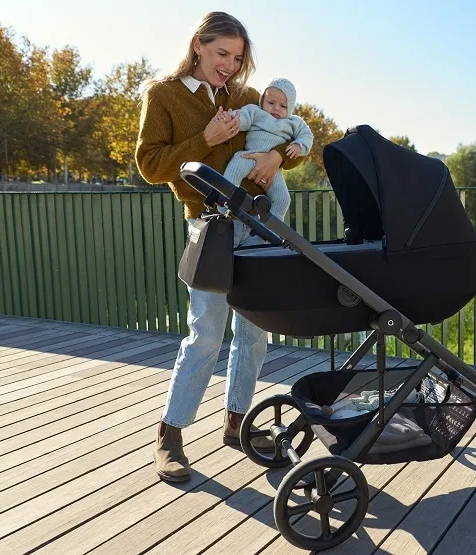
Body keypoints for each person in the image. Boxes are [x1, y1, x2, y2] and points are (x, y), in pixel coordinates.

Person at [135, 11, 303, 482]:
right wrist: (204, 139)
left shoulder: (246, 97)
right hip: (210, 226)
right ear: (198, 45)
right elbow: (150, 165)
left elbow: (284, 133)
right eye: (221, 54)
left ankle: (237, 423)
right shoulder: (163, 95)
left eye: (237, 58)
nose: (229, 65)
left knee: (253, 332)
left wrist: (275, 157)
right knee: (206, 334)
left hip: (257, 225)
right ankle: (169, 435)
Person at [216, 77, 313, 220]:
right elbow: (242, 117)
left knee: (283, 199)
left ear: (290, 108)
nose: (276, 108)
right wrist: (229, 117)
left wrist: (299, 145)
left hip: (273, 170)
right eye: (271, 103)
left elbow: (307, 136)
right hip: (249, 156)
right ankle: (223, 203)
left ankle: (272, 226)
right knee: (233, 171)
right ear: (262, 101)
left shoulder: (295, 122)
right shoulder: (256, 112)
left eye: (283, 106)